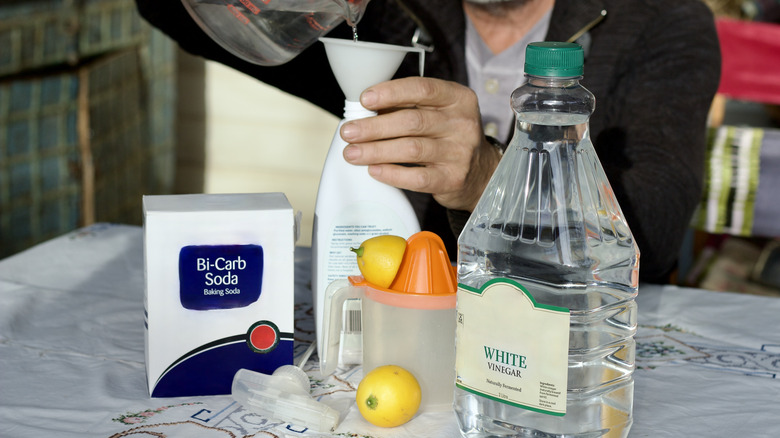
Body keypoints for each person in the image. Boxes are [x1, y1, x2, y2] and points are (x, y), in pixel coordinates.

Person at [134, 0, 721, 283]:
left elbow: (655, 223)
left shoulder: (662, 19)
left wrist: (489, 178)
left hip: (576, 340)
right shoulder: (392, 13)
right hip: (405, 320)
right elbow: (173, 12)